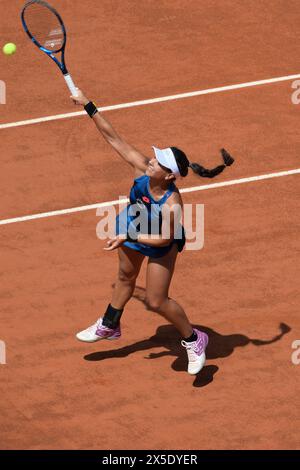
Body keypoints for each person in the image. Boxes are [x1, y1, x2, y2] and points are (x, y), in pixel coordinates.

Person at [71, 91, 234, 375]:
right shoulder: (140, 168)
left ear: (170, 175)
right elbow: (113, 138)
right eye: (155, 158)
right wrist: (88, 104)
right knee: (125, 277)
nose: (151, 162)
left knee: (157, 300)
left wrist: (128, 237)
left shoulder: (172, 205)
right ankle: (110, 325)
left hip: (157, 239)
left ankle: (194, 340)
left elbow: (165, 239)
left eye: (158, 163)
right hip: (133, 226)